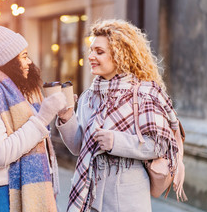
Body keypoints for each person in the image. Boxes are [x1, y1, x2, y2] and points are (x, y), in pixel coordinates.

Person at [57, 19, 183, 212]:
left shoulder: (144, 94)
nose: (91, 56)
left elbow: (159, 145)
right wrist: (66, 117)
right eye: (91, 50)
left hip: (127, 197)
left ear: (120, 55)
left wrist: (117, 141)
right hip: (89, 192)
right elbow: (78, 147)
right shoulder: (89, 96)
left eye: (99, 52)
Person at [0, 25, 66, 212]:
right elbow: (0, 154)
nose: (29, 62)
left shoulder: (24, 93)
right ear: (8, 61)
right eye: (24, 56)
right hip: (2, 196)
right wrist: (42, 118)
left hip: (36, 192)